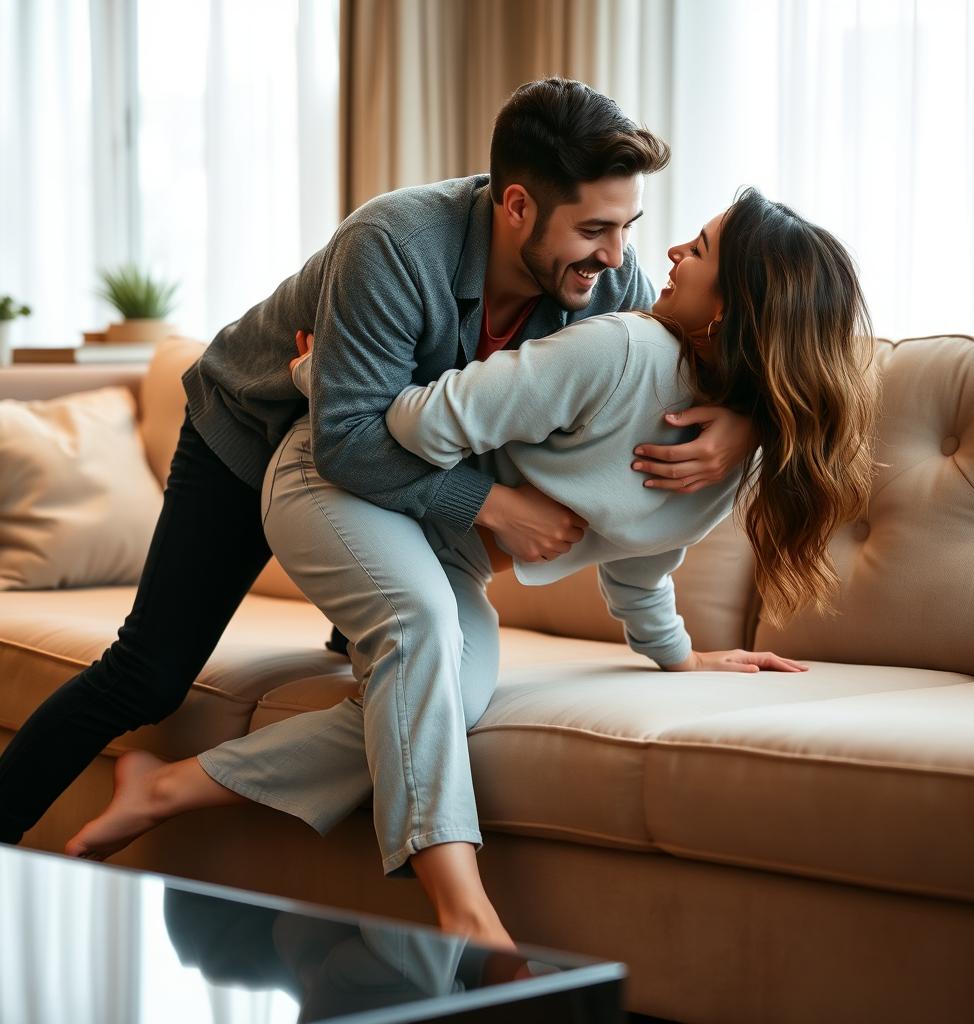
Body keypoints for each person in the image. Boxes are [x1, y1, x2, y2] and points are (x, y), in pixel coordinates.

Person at [66, 187, 880, 953]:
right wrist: (324, 379)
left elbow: (641, 559)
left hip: (436, 536)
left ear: (733, 307)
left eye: (697, 249)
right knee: (418, 633)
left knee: (448, 697)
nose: (666, 250)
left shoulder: (722, 453)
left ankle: (167, 789)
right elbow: (422, 416)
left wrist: (678, 653)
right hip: (340, 477)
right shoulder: (617, 347)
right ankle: (464, 910)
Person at [0, 79, 758, 849]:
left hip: (383, 478)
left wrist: (747, 421)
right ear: (519, 205)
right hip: (259, 432)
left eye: (627, 225)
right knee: (149, 676)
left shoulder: (607, 285)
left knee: (401, 677)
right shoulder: (397, 242)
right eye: (595, 227)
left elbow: (761, 319)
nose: (618, 255)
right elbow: (348, 441)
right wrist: (494, 508)